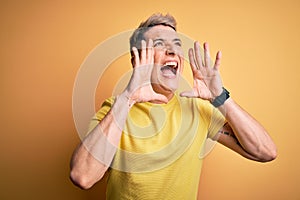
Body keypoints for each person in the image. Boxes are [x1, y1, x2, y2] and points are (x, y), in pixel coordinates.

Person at [70, 13, 277, 199]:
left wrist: (219, 97)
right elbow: (82, 177)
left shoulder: (197, 109)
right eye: (159, 44)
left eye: (176, 44)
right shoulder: (115, 110)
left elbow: (265, 151)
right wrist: (128, 98)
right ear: (137, 60)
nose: (172, 51)